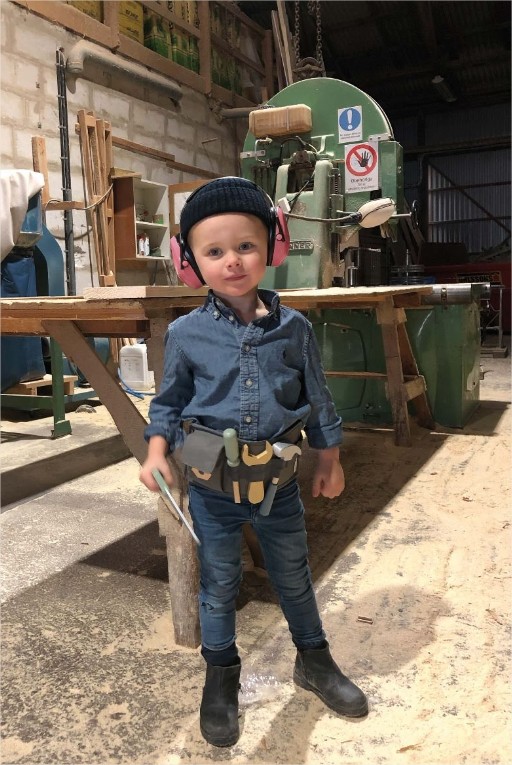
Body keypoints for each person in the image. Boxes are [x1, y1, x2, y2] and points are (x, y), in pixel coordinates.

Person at [139, 177, 368, 747]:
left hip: (278, 487)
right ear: (190, 262)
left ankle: (313, 660)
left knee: (294, 577)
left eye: (246, 245)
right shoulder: (185, 334)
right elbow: (168, 403)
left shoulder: (295, 329)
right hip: (210, 487)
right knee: (219, 585)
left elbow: (317, 398)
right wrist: (156, 451)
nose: (233, 261)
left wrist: (329, 456)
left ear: (273, 246)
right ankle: (221, 677)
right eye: (214, 251)